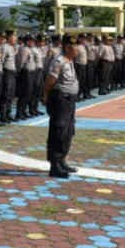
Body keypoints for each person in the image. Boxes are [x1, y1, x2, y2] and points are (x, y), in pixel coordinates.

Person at [43, 34, 79, 179]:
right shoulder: (59, 61)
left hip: (70, 101)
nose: (76, 49)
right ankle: (55, 165)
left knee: (69, 131)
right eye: (73, 46)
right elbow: (50, 80)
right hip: (61, 100)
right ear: (66, 47)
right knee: (58, 132)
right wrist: (45, 95)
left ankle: (62, 160)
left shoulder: (69, 60)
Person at [0, 30, 17, 123]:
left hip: (12, 73)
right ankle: (3, 115)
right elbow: (1, 61)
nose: (16, 38)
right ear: (9, 37)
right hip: (6, 73)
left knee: (11, 95)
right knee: (5, 95)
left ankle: (8, 113)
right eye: (14, 37)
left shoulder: (12, 47)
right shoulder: (4, 47)